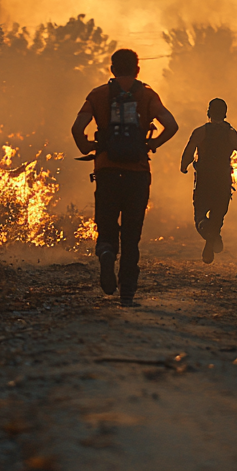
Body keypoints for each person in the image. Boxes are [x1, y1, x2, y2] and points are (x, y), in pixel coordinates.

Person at [72, 49, 179, 307]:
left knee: (107, 225)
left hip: (107, 171)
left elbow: (77, 128)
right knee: (132, 234)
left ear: (112, 69)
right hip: (137, 174)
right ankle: (127, 292)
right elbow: (172, 124)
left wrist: (86, 148)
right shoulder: (147, 95)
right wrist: (152, 143)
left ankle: (107, 252)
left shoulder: (98, 95)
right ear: (137, 70)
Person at [180, 98, 237, 264]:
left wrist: (184, 166)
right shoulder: (230, 134)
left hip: (204, 180)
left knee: (200, 214)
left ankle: (208, 234)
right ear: (225, 113)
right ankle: (211, 237)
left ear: (208, 112)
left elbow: (189, 152)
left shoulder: (200, 132)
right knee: (218, 215)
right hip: (222, 180)